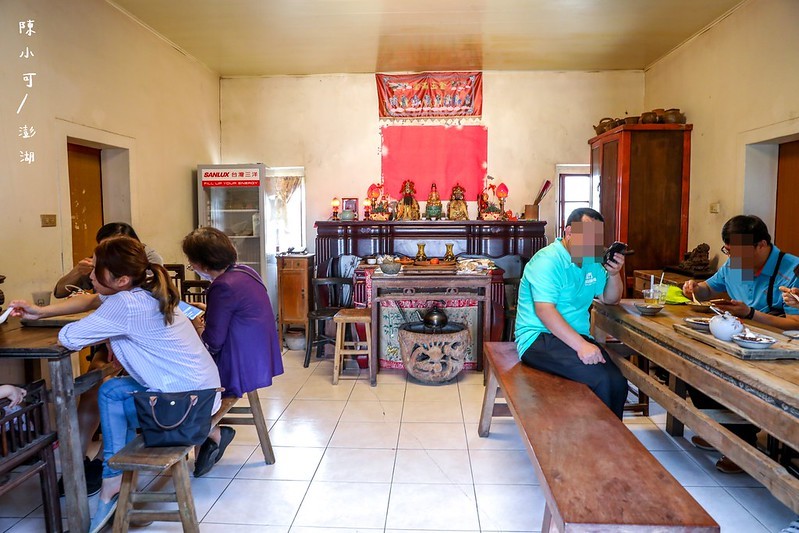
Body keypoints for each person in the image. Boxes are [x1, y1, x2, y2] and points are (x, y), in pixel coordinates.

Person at [11, 236, 221, 533]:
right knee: (111, 390)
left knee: (111, 393)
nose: (90, 276)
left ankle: (110, 479)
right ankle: (113, 479)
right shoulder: (146, 291)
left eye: (96, 271)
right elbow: (94, 299)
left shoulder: (124, 304)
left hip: (185, 411)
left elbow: (69, 338)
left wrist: (99, 325)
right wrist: (41, 311)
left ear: (121, 279)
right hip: (200, 398)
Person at [52, 222, 164, 497]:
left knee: (111, 391)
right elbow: (61, 293)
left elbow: (74, 332)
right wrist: (78, 273)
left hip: (139, 348)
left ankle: (104, 463)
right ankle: (76, 465)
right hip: (109, 342)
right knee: (93, 387)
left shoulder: (141, 278)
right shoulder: (99, 271)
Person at [682, 214, 799, 473]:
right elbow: (707, 290)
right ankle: (723, 430)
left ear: (762, 245)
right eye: (729, 251)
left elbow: (795, 324)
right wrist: (693, 288)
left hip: (776, 348)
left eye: (739, 252)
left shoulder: (791, 270)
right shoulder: (735, 264)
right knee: (695, 363)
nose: (733, 259)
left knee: (744, 381)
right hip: (737, 338)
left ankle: (741, 443)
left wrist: (750, 314)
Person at [182, 227, 284, 477]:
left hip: (237, 365)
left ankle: (210, 433)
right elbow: (239, 312)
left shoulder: (221, 286)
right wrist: (208, 309)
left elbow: (213, 342)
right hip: (258, 356)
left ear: (201, 262)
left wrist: (194, 326)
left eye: (191, 261)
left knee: (179, 379)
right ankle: (212, 436)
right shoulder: (245, 272)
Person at [514, 207, 628, 418]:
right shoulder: (548, 261)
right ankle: (591, 442)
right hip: (538, 337)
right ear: (568, 233)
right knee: (600, 380)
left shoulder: (592, 261)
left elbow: (610, 299)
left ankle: (610, 444)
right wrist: (582, 345)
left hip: (576, 337)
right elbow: (544, 311)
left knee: (617, 382)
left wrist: (613, 274)